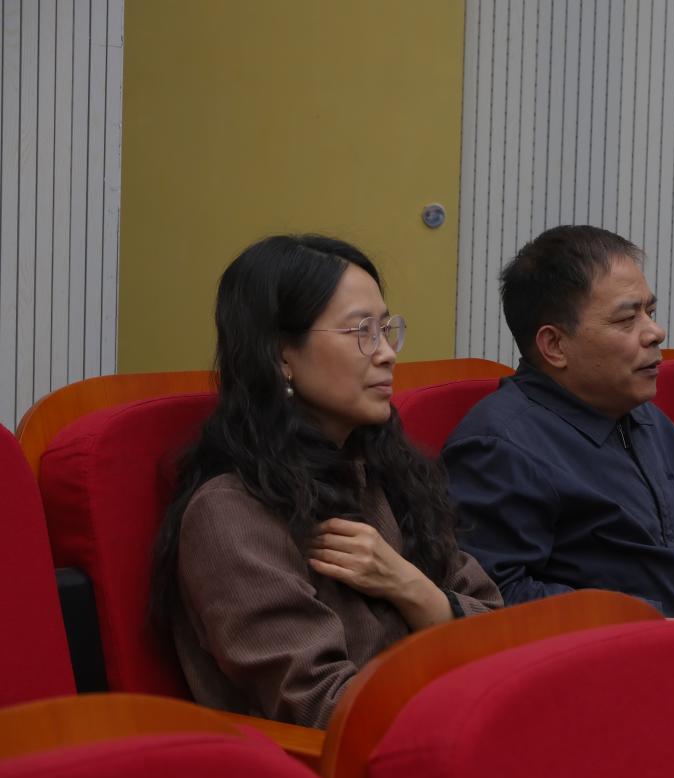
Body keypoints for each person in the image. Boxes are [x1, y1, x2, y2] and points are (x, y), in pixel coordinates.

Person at [151, 235, 501, 729]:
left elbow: (500, 626)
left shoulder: (384, 470)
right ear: (280, 355)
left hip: (454, 727)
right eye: (362, 332)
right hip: (342, 763)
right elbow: (324, 707)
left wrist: (412, 589)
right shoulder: (231, 511)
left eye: (387, 329)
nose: (387, 354)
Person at [441, 225, 674, 620]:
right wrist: (650, 622)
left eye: (650, 313)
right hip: (631, 648)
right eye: (627, 320)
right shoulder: (498, 447)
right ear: (555, 345)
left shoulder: (647, 417)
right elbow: (495, 599)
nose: (656, 332)